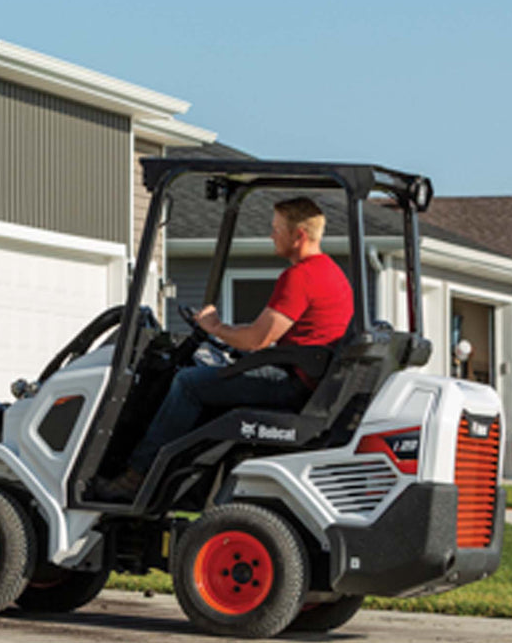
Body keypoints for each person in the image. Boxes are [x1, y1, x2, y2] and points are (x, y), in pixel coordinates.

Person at [94, 196, 354, 501]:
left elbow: (257, 340)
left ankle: (136, 477)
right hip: (306, 375)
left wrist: (215, 327)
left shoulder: (301, 277)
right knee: (212, 371)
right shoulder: (332, 273)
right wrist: (226, 334)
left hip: (293, 383)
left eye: (276, 229)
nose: (271, 235)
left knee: (187, 384)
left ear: (298, 236)